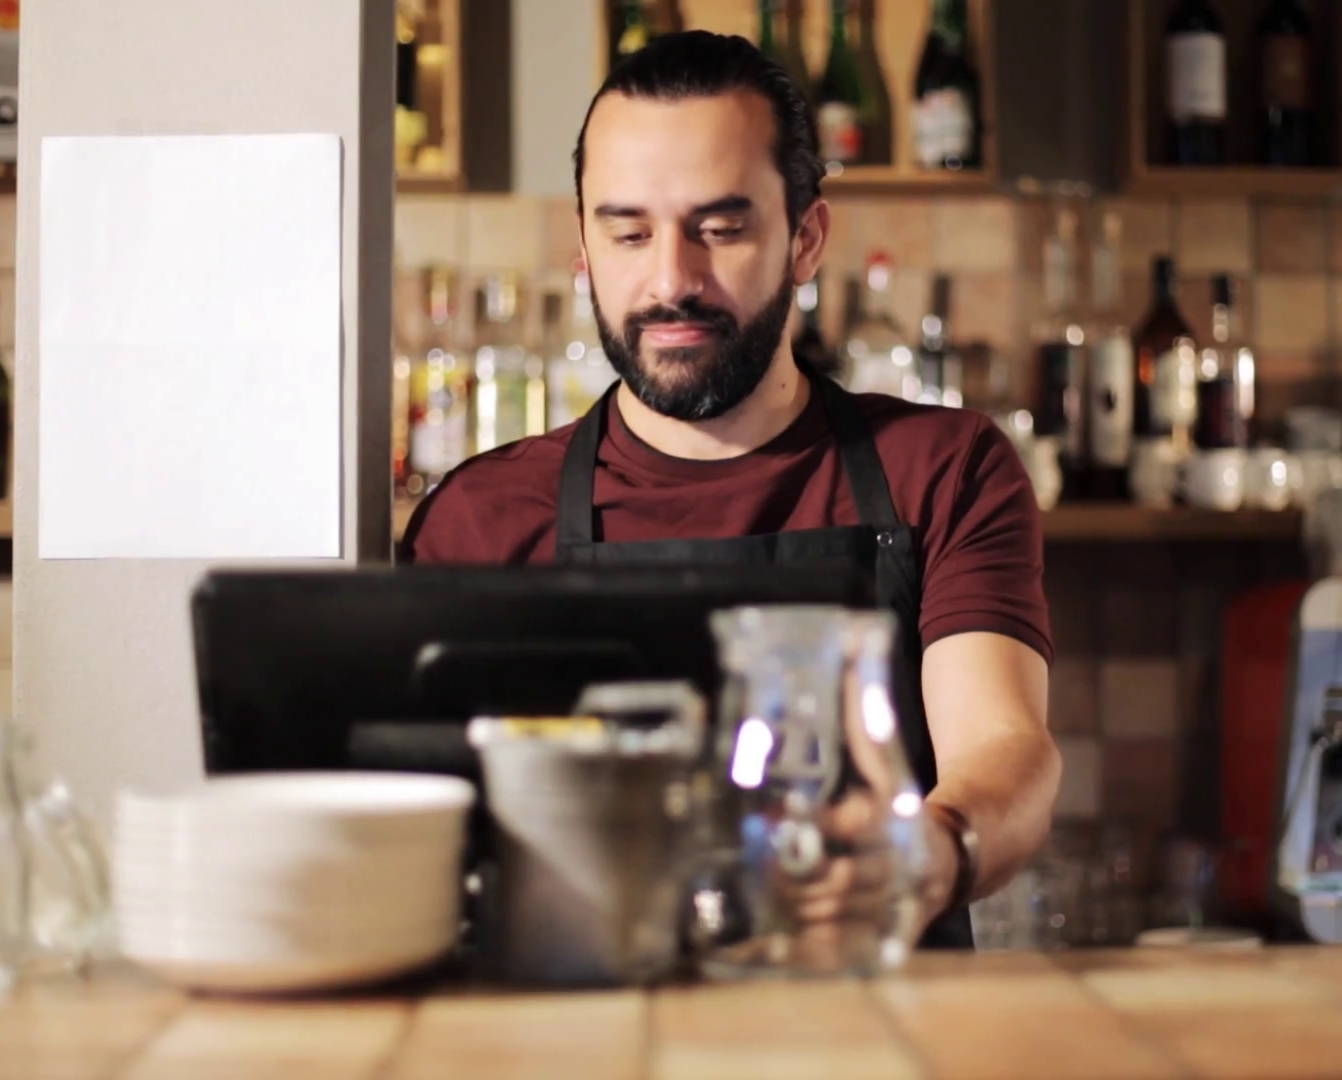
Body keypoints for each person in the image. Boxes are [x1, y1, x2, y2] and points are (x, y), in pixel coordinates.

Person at [402, 30, 1059, 949]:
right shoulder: (478, 518)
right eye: (629, 233)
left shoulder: (943, 469)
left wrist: (934, 852)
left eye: (720, 228)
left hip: (879, 1029)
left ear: (805, 237)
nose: (671, 280)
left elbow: (1006, 749)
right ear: (584, 249)